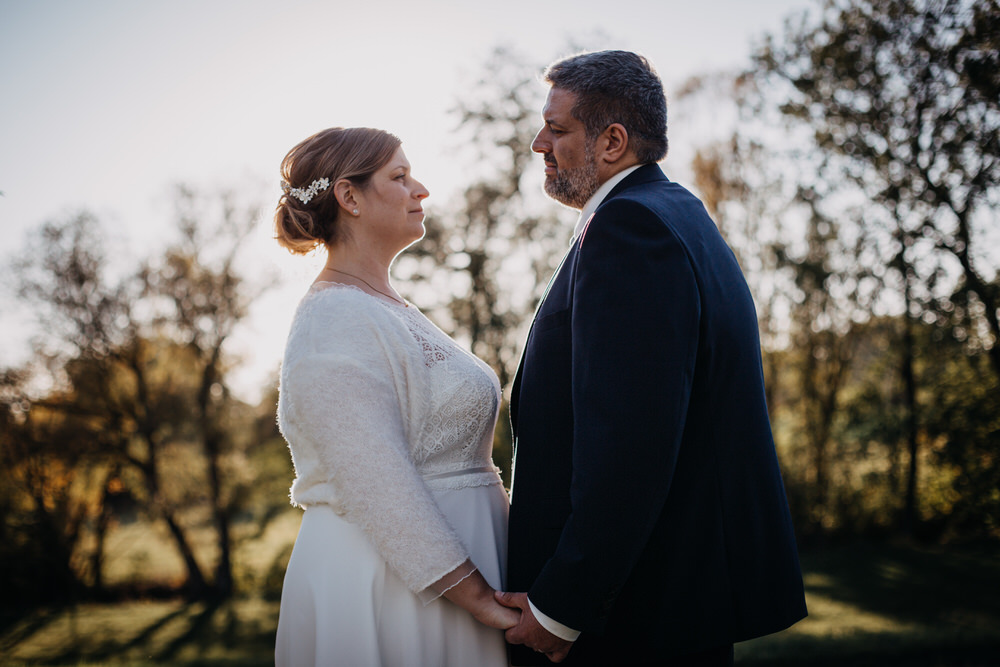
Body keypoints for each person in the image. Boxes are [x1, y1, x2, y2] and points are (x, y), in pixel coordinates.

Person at [497, 50, 808, 665]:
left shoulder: (630, 230)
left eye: (556, 129)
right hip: (668, 602)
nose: (539, 143)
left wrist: (564, 606)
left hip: (635, 617)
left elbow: (630, 443)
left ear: (612, 141)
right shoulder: (677, 214)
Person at [272, 127, 519, 666]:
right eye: (400, 177)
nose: (421, 189)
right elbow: (376, 482)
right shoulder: (331, 319)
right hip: (397, 587)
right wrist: (478, 598)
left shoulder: (385, 306)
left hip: (462, 578)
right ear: (350, 197)